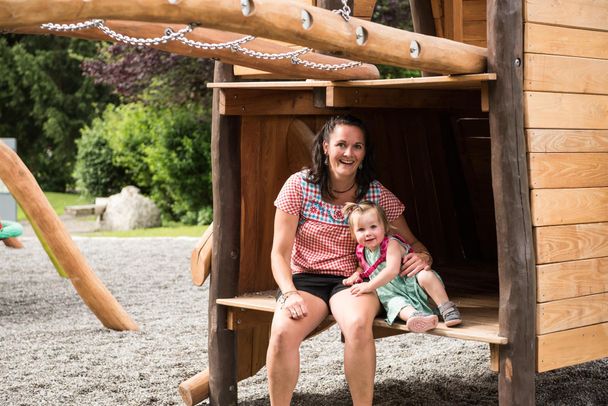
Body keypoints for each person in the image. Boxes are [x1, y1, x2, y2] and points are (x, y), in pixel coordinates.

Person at [266, 115, 434, 406]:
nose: (349, 153)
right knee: (281, 331)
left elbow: (413, 243)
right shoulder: (299, 186)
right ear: (325, 147)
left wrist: (423, 256)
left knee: (357, 324)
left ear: (364, 152)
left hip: (356, 281)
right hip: (306, 280)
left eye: (357, 146)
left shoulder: (376, 193)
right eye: (341, 144)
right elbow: (279, 253)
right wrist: (290, 293)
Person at [342, 201, 462, 333]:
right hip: (391, 292)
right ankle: (415, 317)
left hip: (411, 282)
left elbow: (392, 270)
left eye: (373, 227)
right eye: (361, 229)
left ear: (385, 227)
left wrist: (369, 286)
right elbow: (362, 266)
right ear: (353, 234)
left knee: (426, 275)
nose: (368, 233)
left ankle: (447, 308)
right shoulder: (361, 250)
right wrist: (356, 274)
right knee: (395, 304)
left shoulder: (391, 244)